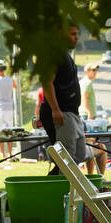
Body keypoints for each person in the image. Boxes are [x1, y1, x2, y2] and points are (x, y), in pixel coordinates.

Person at [38, 24, 87, 175]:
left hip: (71, 112)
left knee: (79, 154)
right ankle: (61, 194)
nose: (76, 38)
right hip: (61, 112)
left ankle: (53, 181)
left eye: (77, 34)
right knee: (67, 160)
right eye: (72, 34)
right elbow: (47, 82)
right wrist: (55, 109)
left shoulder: (64, 54)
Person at [79, 62, 108, 175]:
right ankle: (98, 177)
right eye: (93, 70)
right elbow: (84, 98)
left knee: (90, 144)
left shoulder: (82, 82)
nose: (95, 72)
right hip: (87, 116)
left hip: (83, 115)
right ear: (87, 71)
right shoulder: (88, 83)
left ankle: (90, 175)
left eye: (96, 70)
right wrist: (90, 113)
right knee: (93, 144)